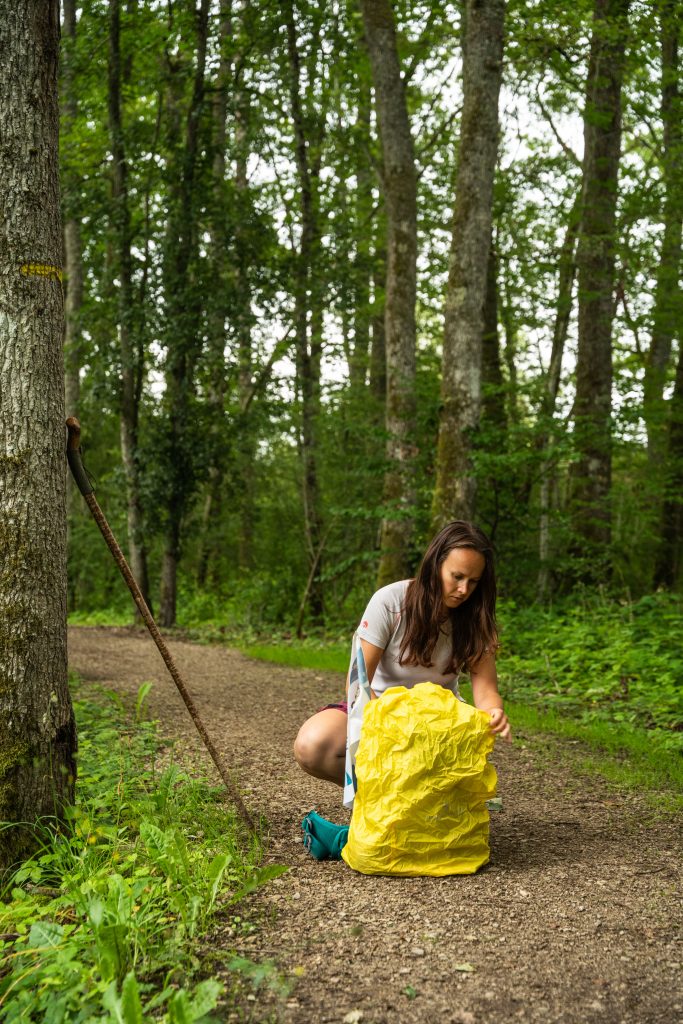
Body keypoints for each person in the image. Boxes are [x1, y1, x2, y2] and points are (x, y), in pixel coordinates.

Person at [293, 520, 511, 786]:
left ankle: (427, 799)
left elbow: (486, 691)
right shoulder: (390, 601)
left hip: (438, 721)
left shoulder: (476, 617)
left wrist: (494, 712)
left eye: (473, 581)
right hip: (378, 708)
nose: (464, 590)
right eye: (457, 577)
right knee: (312, 745)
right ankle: (386, 796)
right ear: (435, 566)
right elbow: (357, 683)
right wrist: (395, 727)